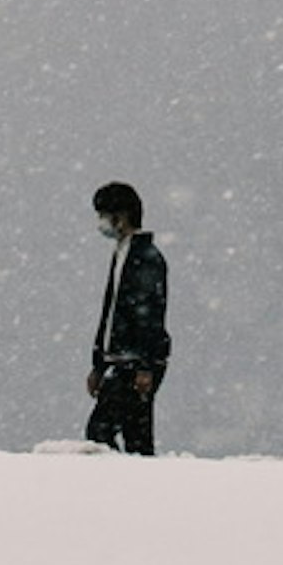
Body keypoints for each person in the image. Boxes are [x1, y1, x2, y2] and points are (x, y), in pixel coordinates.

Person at [84, 178, 169, 452]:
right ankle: (138, 484)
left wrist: (145, 365)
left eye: (104, 215)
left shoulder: (145, 256)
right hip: (121, 359)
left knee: (101, 429)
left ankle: (120, 479)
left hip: (135, 361)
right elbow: (109, 313)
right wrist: (99, 363)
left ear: (121, 217)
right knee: (136, 436)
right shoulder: (121, 254)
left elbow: (151, 314)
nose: (101, 223)